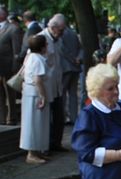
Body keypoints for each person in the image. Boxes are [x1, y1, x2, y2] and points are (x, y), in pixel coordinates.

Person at [39, 14, 67, 152]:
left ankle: (56, 143)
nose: (62, 33)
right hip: (46, 85)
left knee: (58, 116)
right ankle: (46, 145)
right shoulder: (41, 39)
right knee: (47, 118)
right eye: (61, 30)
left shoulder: (58, 40)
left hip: (57, 84)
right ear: (53, 27)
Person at [19, 34, 49, 164]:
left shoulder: (30, 57)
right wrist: (43, 96)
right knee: (34, 123)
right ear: (42, 47)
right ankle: (31, 154)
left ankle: (35, 151)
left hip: (29, 92)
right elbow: (38, 80)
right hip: (34, 94)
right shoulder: (38, 59)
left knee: (34, 123)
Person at [0, 6, 22, 125]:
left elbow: (16, 51)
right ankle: (1, 117)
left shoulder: (13, 29)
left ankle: (11, 117)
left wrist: (15, 68)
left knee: (10, 95)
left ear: (2, 15)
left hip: (8, 67)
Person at [61, 24, 82, 124]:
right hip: (75, 68)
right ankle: (73, 117)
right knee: (73, 94)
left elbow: (63, 50)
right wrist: (78, 59)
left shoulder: (61, 34)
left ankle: (63, 117)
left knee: (63, 94)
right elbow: (80, 48)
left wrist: (72, 60)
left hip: (65, 68)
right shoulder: (73, 33)